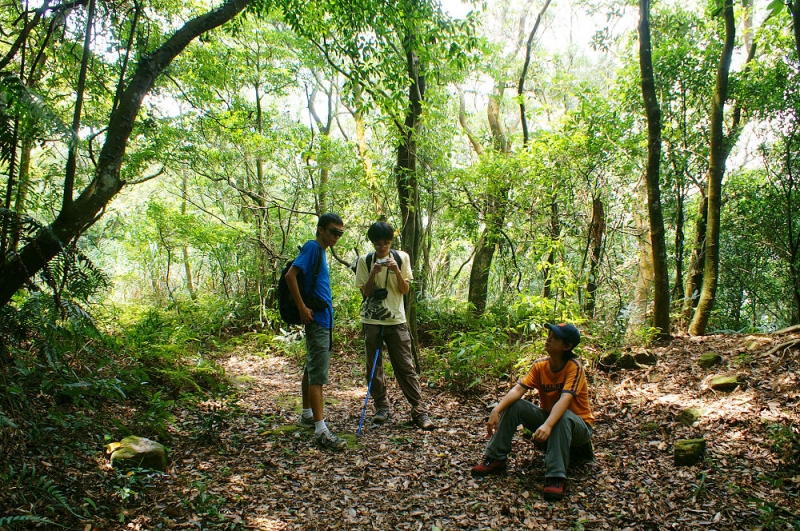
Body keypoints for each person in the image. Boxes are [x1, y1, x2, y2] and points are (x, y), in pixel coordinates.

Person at [470, 323, 594, 501]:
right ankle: (496, 457)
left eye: (555, 337)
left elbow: (565, 400)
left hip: (579, 428)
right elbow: (518, 390)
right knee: (515, 405)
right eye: (549, 334)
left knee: (563, 415)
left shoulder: (574, 367)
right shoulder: (540, 366)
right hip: (551, 421)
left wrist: (548, 425)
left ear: (567, 346)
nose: (549, 338)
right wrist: (496, 410)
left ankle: (556, 476)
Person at [354, 221, 434, 430]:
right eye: (378, 243)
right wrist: (373, 272)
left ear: (391, 242)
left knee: (405, 366)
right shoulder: (365, 260)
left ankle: (419, 410)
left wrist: (397, 271)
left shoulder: (402, 257)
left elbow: (405, 289)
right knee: (374, 367)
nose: (382, 247)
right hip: (372, 321)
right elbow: (367, 292)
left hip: (396, 320)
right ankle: (382, 408)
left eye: (386, 243)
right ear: (372, 243)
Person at [285, 213, 347, 451]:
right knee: (318, 375)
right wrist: (302, 307)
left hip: (322, 318)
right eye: (333, 231)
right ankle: (321, 430)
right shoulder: (313, 247)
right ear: (320, 229)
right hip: (317, 319)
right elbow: (292, 275)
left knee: (311, 369)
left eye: (340, 233)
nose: (337, 236)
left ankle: (307, 415)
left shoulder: (321, 252)